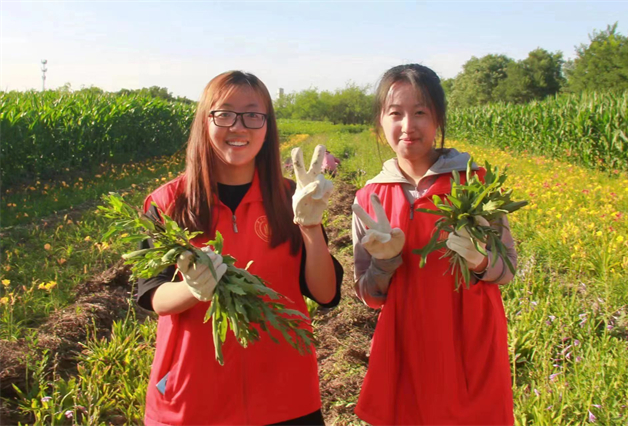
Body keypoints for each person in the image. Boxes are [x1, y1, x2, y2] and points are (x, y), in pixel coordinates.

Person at [135, 71, 343, 426]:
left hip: (284, 397)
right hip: (193, 399)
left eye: (252, 114)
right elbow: (151, 294)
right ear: (206, 120)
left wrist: (309, 227)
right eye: (225, 113)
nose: (239, 126)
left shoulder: (292, 196)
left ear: (267, 125)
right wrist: (191, 290)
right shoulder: (169, 202)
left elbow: (325, 294)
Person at [351, 64, 516, 425]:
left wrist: (478, 260)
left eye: (421, 112)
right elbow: (368, 293)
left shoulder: (475, 183)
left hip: (468, 342)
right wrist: (383, 265)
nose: (408, 126)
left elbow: (507, 270)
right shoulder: (370, 198)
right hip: (404, 346)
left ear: (438, 118)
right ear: (380, 120)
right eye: (396, 113)